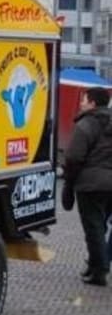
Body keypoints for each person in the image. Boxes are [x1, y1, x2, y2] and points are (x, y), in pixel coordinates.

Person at [62, 86, 112, 286]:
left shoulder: (86, 125)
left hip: (90, 185)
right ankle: (95, 264)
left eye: (84, 99)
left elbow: (74, 156)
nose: (81, 103)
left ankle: (99, 271)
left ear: (92, 103)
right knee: (100, 226)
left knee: (94, 228)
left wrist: (69, 184)